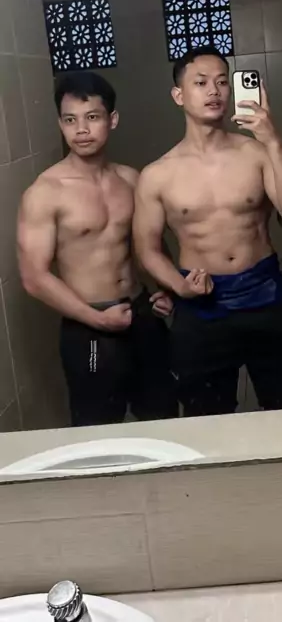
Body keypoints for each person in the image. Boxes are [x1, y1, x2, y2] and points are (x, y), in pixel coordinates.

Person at [133, 45, 282, 416]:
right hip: (201, 307)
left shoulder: (257, 153)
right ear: (178, 95)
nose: (213, 91)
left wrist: (272, 141)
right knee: (206, 420)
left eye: (221, 82)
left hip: (267, 296)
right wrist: (179, 286)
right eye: (200, 83)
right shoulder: (157, 174)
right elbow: (146, 248)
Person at [17, 72, 177, 427]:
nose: (81, 130)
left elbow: (150, 245)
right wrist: (98, 319)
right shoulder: (45, 193)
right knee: (97, 432)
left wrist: (165, 289)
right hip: (88, 323)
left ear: (112, 119)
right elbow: (34, 277)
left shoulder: (131, 180)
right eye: (70, 120)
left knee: (164, 420)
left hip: (140, 312)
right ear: (60, 124)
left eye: (92, 117)